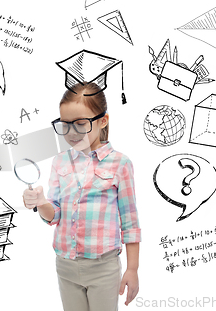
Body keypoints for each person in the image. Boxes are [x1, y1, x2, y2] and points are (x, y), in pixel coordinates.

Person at [23, 82, 141, 311]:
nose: (72, 133)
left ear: (102, 120)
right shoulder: (60, 162)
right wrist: (41, 203)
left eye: (80, 124)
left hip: (103, 268)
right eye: (65, 125)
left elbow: (130, 222)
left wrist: (133, 269)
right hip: (65, 266)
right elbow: (54, 214)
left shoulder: (120, 163)